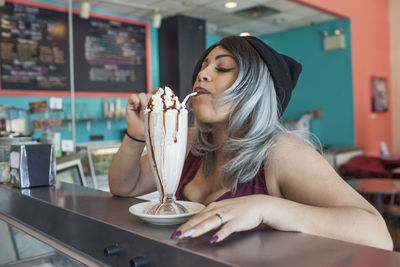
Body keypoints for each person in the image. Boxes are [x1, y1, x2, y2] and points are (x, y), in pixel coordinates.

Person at [109, 36, 393, 250]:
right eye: (204, 66)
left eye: (223, 68)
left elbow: (377, 235)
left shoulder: (281, 153)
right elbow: (125, 187)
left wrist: (265, 207)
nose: (203, 74)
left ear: (255, 90)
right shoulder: (191, 142)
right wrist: (136, 136)